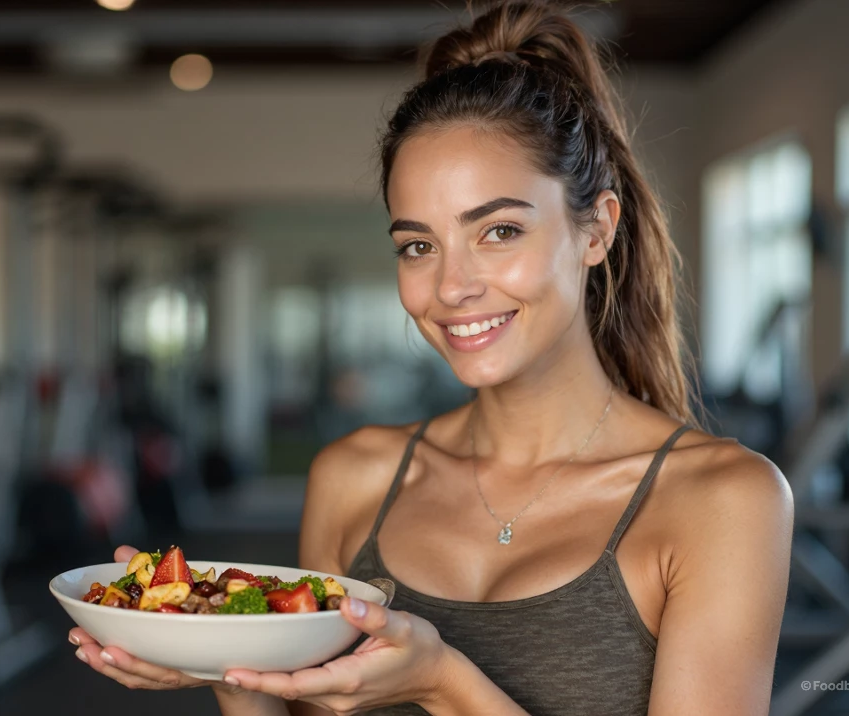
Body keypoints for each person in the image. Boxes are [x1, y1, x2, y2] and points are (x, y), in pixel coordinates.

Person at [69, 2, 794, 714]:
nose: (451, 287)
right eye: (418, 246)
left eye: (500, 231)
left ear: (596, 229)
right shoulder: (352, 479)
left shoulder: (722, 502)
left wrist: (443, 683)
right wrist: (220, 647)